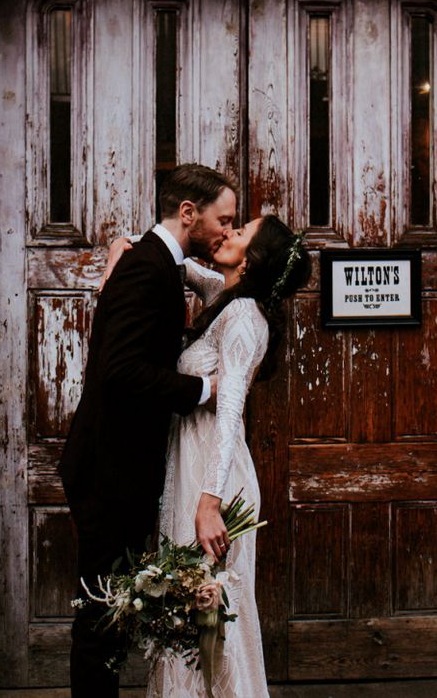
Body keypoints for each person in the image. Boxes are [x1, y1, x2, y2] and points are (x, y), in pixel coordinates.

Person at [104, 214, 311, 697]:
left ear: (252, 257)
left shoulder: (243, 318)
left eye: (240, 233)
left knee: (213, 619)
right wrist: (120, 243)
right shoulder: (224, 294)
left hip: (214, 482)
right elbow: (167, 257)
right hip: (192, 467)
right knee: (187, 617)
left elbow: (231, 412)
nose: (228, 233)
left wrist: (210, 502)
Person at [59, 163, 237, 697]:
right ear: (189, 214)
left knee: (110, 607)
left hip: (119, 466)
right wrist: (205, 390)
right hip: (109, 468)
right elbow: (120, 370)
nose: (228, 231)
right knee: (100, 613)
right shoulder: (148, 269)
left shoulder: (158, 261)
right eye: (223, 220)